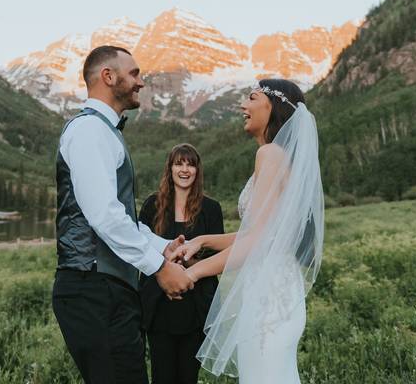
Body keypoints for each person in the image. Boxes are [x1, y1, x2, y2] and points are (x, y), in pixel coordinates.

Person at [52, 45, 195, 384]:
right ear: (108, 76)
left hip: (107, 290)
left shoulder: (104, 131)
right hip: (93, 289)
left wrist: (162, 246)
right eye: (134, 74)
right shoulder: (90, 130)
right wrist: (159, 267)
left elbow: (119, 215)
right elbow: (103, 215)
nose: (141, 82)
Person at [172, 79, 324, 383]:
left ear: (273, 106)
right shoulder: (282, 157)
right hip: (277, 289)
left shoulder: (269, 154)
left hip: (269, 298)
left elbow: (257, 240)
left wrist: (193, 272)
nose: (243, 105)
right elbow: (262, 232)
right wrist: (202, 240)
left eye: (251, 98)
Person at [138, 144, 223, 384]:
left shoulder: (211, 209)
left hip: (195, 306)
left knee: (188, 377)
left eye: (190, 164)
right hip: (159, 305)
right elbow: (140, 248)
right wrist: (166, 263)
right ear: (170, 168)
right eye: (179, 163)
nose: (184, 170)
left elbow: (217, 256)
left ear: (197, 171)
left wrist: (184, 261)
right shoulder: (152, 205)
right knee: (162, 376)